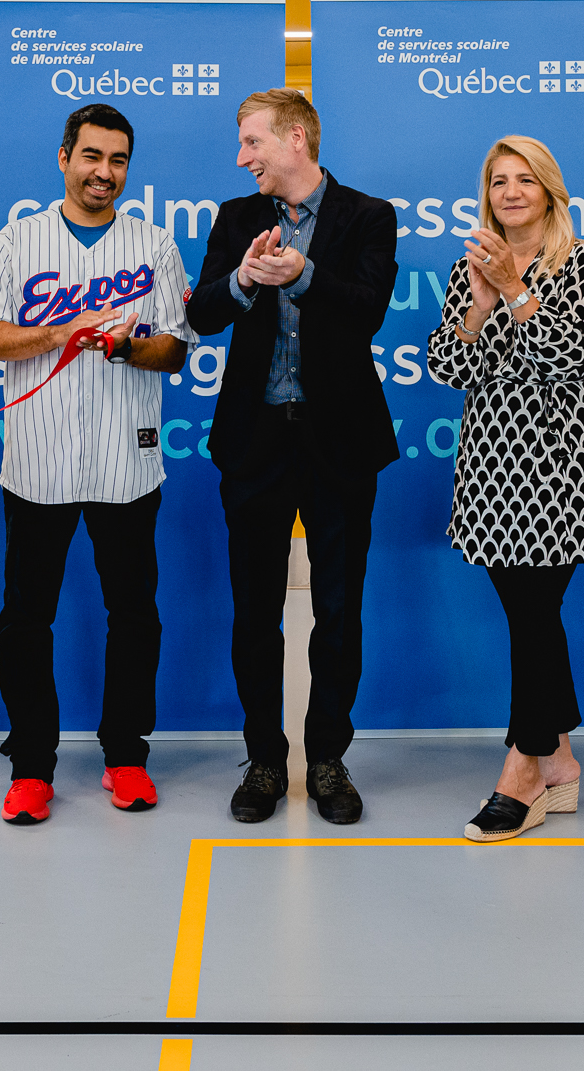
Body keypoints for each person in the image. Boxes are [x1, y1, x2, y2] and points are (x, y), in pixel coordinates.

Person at [0, 103, 193, 826]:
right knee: (27, 617)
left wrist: (125, 346)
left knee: (134, 615)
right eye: (92, 156)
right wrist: (56, 332)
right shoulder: (18, 240)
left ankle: (126, 754)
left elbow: (175, 348)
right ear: (64, 157)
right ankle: (32, 765)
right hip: (39, 461)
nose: (104, 172)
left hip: (128, 460)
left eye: (117, 160)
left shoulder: (154, 244)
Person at [189, 88, 398, 826]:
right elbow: (200, 313)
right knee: (255, 612)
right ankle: (265, 761)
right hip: (255, 441)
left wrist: (301, 276)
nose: (242, 157)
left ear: (296, 139)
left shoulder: (368, 216)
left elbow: (368, 309)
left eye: (252, 142)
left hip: (340, 440)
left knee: (338, 610)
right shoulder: (235, 218)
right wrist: (245, 278)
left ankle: (328, 760)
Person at [425, 137, 584, 843]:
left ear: (549, 191)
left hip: (563, 459)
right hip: (493, 460)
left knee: (535, 610)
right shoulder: (470, 266)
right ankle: (561, 759)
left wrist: (515, 289)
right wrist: (478, 306)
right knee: (530, 612)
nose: (510, 192)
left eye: (524, 179)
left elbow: (568, 356)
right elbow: (449, 368)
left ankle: (524, 768)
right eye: (498, 181)